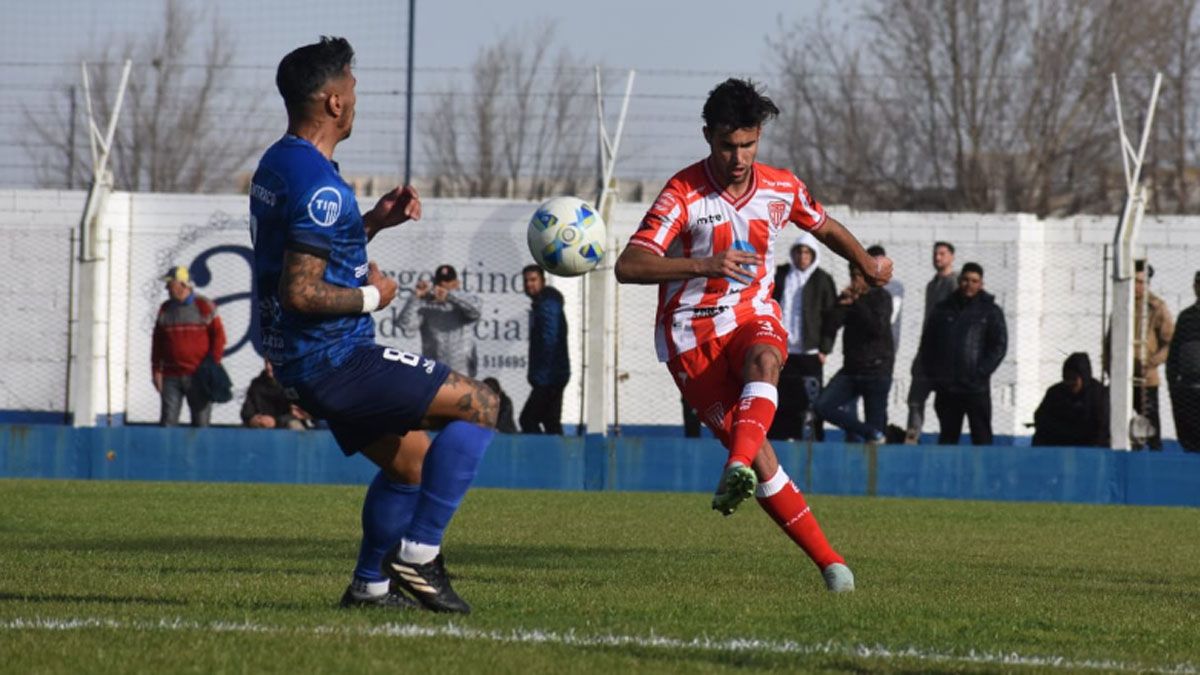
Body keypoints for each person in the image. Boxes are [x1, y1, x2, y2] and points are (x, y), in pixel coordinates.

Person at [614, 78, 893, 593]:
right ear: (708, 137)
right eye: (727, 145)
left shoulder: (781, 187)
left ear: (759, 136)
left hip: (750, 316)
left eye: (748, 144)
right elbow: (629, 265)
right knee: (766, 460)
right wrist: (706, 262)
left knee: (767, 359)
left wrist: (868, 265)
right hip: (690, 340)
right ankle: (827, 560)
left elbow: (823, 225)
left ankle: (830, 564)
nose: (738, 157)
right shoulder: (683, 192)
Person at [250, 37, 498, 614]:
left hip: (299, 361)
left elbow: (306, 254)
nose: (358, 99)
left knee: (410, 463)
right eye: (354, 88)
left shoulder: (280, 163)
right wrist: (373, 297)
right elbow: (301, 291)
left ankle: (369, 587)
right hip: (332, 360)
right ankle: (418, 554)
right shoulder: (319, 186)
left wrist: (373, 223)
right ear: (334, 102)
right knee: (481, 405)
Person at [919, 262, 1007, 445]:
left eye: (975, 281)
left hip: (976, 388)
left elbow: (998, 346)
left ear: (981, 284)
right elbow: (928, 344)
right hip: (948, 388)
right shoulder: (943, 309)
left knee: (981, 437)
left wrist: (980, 372)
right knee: (948, 438)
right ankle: (948, 473)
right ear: (959, 281)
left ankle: (983, 473)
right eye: (966, 280)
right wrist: (936, 376)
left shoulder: (990, 311)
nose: (970, 284)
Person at [812, 261, 894, 444]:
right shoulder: (849, 298)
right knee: (823, 406)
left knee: (876, 424)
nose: (856, 280)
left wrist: (857, 303)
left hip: (876, 371)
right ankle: (868, 432)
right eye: (853, 276)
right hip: (851, 369)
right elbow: (832, 325)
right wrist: (841, 304)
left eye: (859, 276)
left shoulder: (881, 297)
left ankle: (874, 438)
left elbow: (877, 328)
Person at [768, 232, 837, 440]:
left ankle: (813, 439)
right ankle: (780, 439)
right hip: (783, 350)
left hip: (810, 352)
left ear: (813, 255)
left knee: (811, 400)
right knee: (780, 396)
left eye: (807, 252)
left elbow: (831, 317)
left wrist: (824, 349)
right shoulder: (782, 275)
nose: (802, 256)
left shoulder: (822, 280)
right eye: (799, 251)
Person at [1104, 260, 1174, 450]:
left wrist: (1152, 363)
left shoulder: (1156, 307)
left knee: (1150, 426)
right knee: (1119, 423)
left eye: (1142, 282)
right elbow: (1109, 340)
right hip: (1121, 377)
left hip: (1146, 378)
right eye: (1135, 282)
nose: (1138, 287)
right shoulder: (1121, 305)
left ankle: (1154, 458)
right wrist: (1108, 367)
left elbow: (1169, 342)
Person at [152, 265, 227, 427]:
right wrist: (157, 371)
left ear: (183, 285)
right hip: (171, 375)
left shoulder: (204, 306)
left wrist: (211, 365)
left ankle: (200, 452)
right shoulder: (165, 309)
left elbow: (219, 338)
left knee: (201, 422)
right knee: (168, 422)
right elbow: (157, 343)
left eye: (170, 284)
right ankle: (166, 452)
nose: (166, 288)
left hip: (198, 375)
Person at [905, 241, 957, 444]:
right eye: (936, 254)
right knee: (915, 399)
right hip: (926, 351)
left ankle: (947, 439)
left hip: (945, 354)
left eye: (942, 254)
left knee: (945, 402)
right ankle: (912, 435)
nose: (938, 258)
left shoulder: (954, 284)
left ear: (951, 257)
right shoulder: (931, 285)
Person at [398, 263, 481, 377]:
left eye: (448, 283)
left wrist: (449, 296)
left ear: (457, 284)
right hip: (435, 373)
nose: (443, 286)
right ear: (435, 284)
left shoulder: (465, 304)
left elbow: (475, 311)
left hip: (463, 373)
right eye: (440, 283)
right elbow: (405, 325)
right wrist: (415, 297)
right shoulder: (426, 306)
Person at [520, 265, 570, 434]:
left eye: (533, 280)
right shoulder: (543, 303)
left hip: (549, 376)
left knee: (528, 419)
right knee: (551, 422)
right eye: (526, 281)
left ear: (543, 280)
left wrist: (543, 375)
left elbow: (550, 339)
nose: (529, 284)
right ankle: (559, 457)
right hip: (552, 374)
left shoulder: (548, 305)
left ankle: (542, 458)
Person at [1031, 353, 1109, 447]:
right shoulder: (1055, 393)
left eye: (1074, 378)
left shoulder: (1098, 394)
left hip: (1088, 446)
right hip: (1061, 443)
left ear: (1083, 377)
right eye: (1066, 378)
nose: (1069, 382)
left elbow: (1101, 427)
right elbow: (1040, 417)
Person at [1166, 271, 1200, 452]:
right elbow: (1173, 355)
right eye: (1198, 284)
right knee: (1190, 440)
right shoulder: (1185, 317)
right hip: (1187, 390)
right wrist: (1174, 386)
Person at [241, 358, 313, 430]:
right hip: (263, 428)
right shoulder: (256, 384)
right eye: (266, 363)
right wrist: (255, 420)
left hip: (287, 426)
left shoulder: (290, 383)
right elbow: (247, 412)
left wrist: (275, 421)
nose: (268, 367)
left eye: (273, 363)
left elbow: (298, 410)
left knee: (294, 424)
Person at [866, 244, 904, 350]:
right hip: (864, 344)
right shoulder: (863, 286)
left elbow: (892, 317)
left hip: (887, 344)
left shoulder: (895, 287)